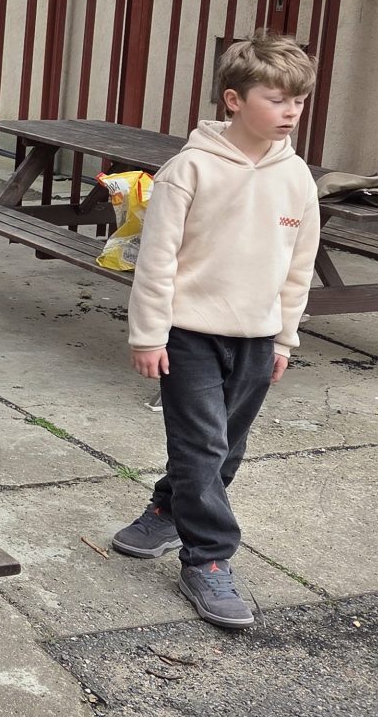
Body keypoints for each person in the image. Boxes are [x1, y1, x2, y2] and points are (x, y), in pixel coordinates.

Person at [109, 31, 320, 631]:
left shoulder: (297, 178)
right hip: (189, 335)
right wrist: (148, 335)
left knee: (226, 446)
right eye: (276, 99)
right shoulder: (190, 169)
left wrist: (284, 338)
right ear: (234, 100)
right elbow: (157, 261)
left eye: (298, 101)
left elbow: (298, 267)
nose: (290, 112)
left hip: (257, 337)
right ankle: (207, 558)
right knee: (201, 444)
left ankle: (167, 509)